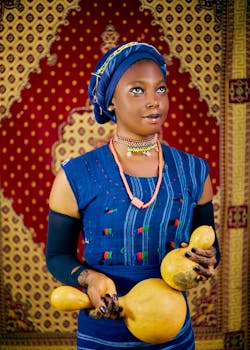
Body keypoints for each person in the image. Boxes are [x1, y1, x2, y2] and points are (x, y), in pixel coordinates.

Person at [46, 41, 220, 349]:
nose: (154, 101)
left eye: (161, 89)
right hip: (102, 333)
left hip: (173, 334)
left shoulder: (195, 171)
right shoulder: (75, 176)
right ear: (110, 101)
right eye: (137, 90)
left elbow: (208, 245)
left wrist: (207, 260)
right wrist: (90, 280)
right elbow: (57, 256)